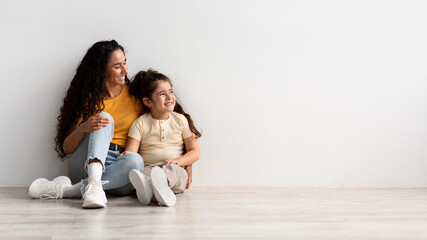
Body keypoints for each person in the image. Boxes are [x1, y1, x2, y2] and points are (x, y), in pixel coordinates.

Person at [28, 40, 144, 208]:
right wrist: (84, 127)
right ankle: (94, 181)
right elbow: (67, 148)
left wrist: (185, 161)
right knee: (104, 118)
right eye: (117, 66)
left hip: (120, 171)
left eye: (125, 63)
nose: (125, 70)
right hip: (85, 164)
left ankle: (68, 191)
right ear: (101, 70)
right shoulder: (87, 100)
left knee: (136, 161)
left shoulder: (135, 95)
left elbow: (161, 120)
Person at [121, 69, 201, 207]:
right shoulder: (140, 122)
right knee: (140, 175)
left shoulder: (180, 120)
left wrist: (179, 161)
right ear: (148, 102)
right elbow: (131, 152)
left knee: (172, 172)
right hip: (148, 168)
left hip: (174, 169)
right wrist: (126, 156)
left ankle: (155, 188)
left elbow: (195, 152)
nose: (169, 97)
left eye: (171, 91)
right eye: (162, 94)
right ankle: (156, 194)